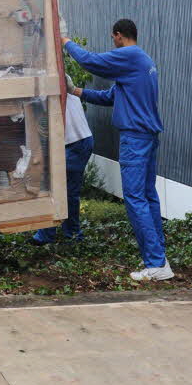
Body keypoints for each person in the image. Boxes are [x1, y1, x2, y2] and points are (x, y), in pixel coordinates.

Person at [62, 18, 173, 282]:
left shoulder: (129, 56)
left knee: (135, 199)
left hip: (134, 138)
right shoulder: (142, 62)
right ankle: (160, 259)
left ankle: (156, 264)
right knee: (147, 196)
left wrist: (65, 41)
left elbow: (90, 61)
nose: (113, 45)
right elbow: (111, 97)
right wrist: (75, 90)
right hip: (146, 136)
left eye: (113, 40)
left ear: (119, 35)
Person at [32, 88, 93, 243]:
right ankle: (70, 234)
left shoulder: (53, 82)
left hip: (75, 143)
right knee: (66, 191)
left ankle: (50, 234)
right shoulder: (52, 81)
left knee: (54, 187)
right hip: (75, 141)